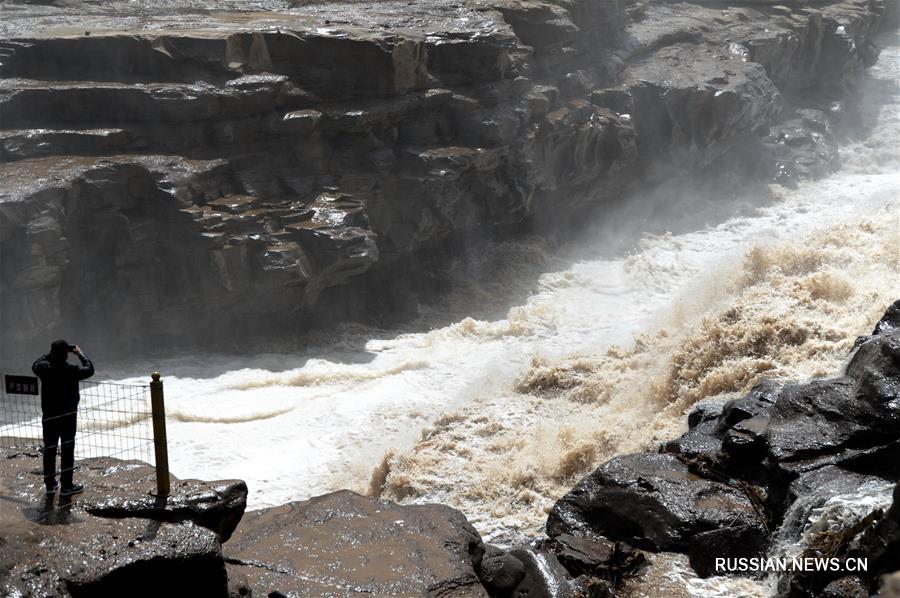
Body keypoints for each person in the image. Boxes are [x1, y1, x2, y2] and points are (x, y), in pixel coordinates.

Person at [32, 340, 94, 496]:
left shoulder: (44, 369)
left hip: (49, 416)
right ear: (67, 355)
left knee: (49, 449)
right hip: (68, 417)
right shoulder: (71, 370)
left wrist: (50, 354)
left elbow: (36, 363)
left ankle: (50, 485)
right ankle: (66, 486)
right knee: (67, 450)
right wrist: (80, 355)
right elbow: (89, 369)